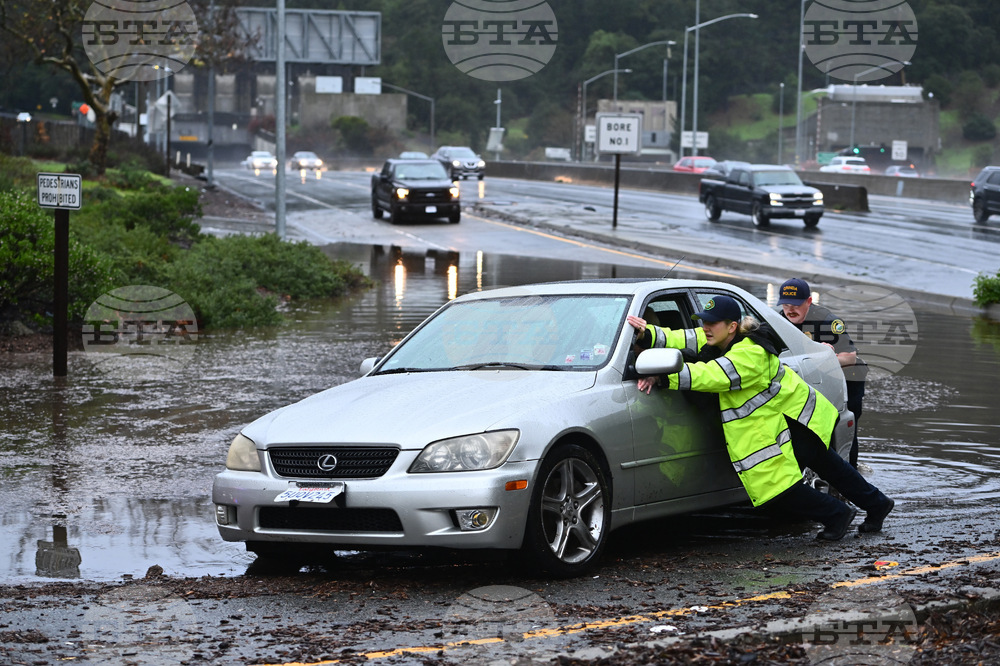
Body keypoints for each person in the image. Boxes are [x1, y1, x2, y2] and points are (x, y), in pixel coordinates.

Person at [627, 294, 893, 540]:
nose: (705, 328)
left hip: (792, 421)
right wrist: (646, 332)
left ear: (731, 326)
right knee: (829, 467)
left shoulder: (750, 353)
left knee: (776, 488)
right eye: (704, 323)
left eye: (712, 323)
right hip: (789, 418)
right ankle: (877, 504)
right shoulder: (722, 337)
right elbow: (683, 338)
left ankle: (837, 514)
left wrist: (663, 376)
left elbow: (713, 375)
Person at [777, 278, 868, 468]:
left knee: (843, 426)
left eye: (796, 305)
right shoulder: (779, 320)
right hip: (815, 378)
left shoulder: (828, 321)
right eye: (785, 305)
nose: (790, 310)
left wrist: (827, 356)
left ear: (808, 302)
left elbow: (850, 357)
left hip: (848, 379)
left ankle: (851, 470)